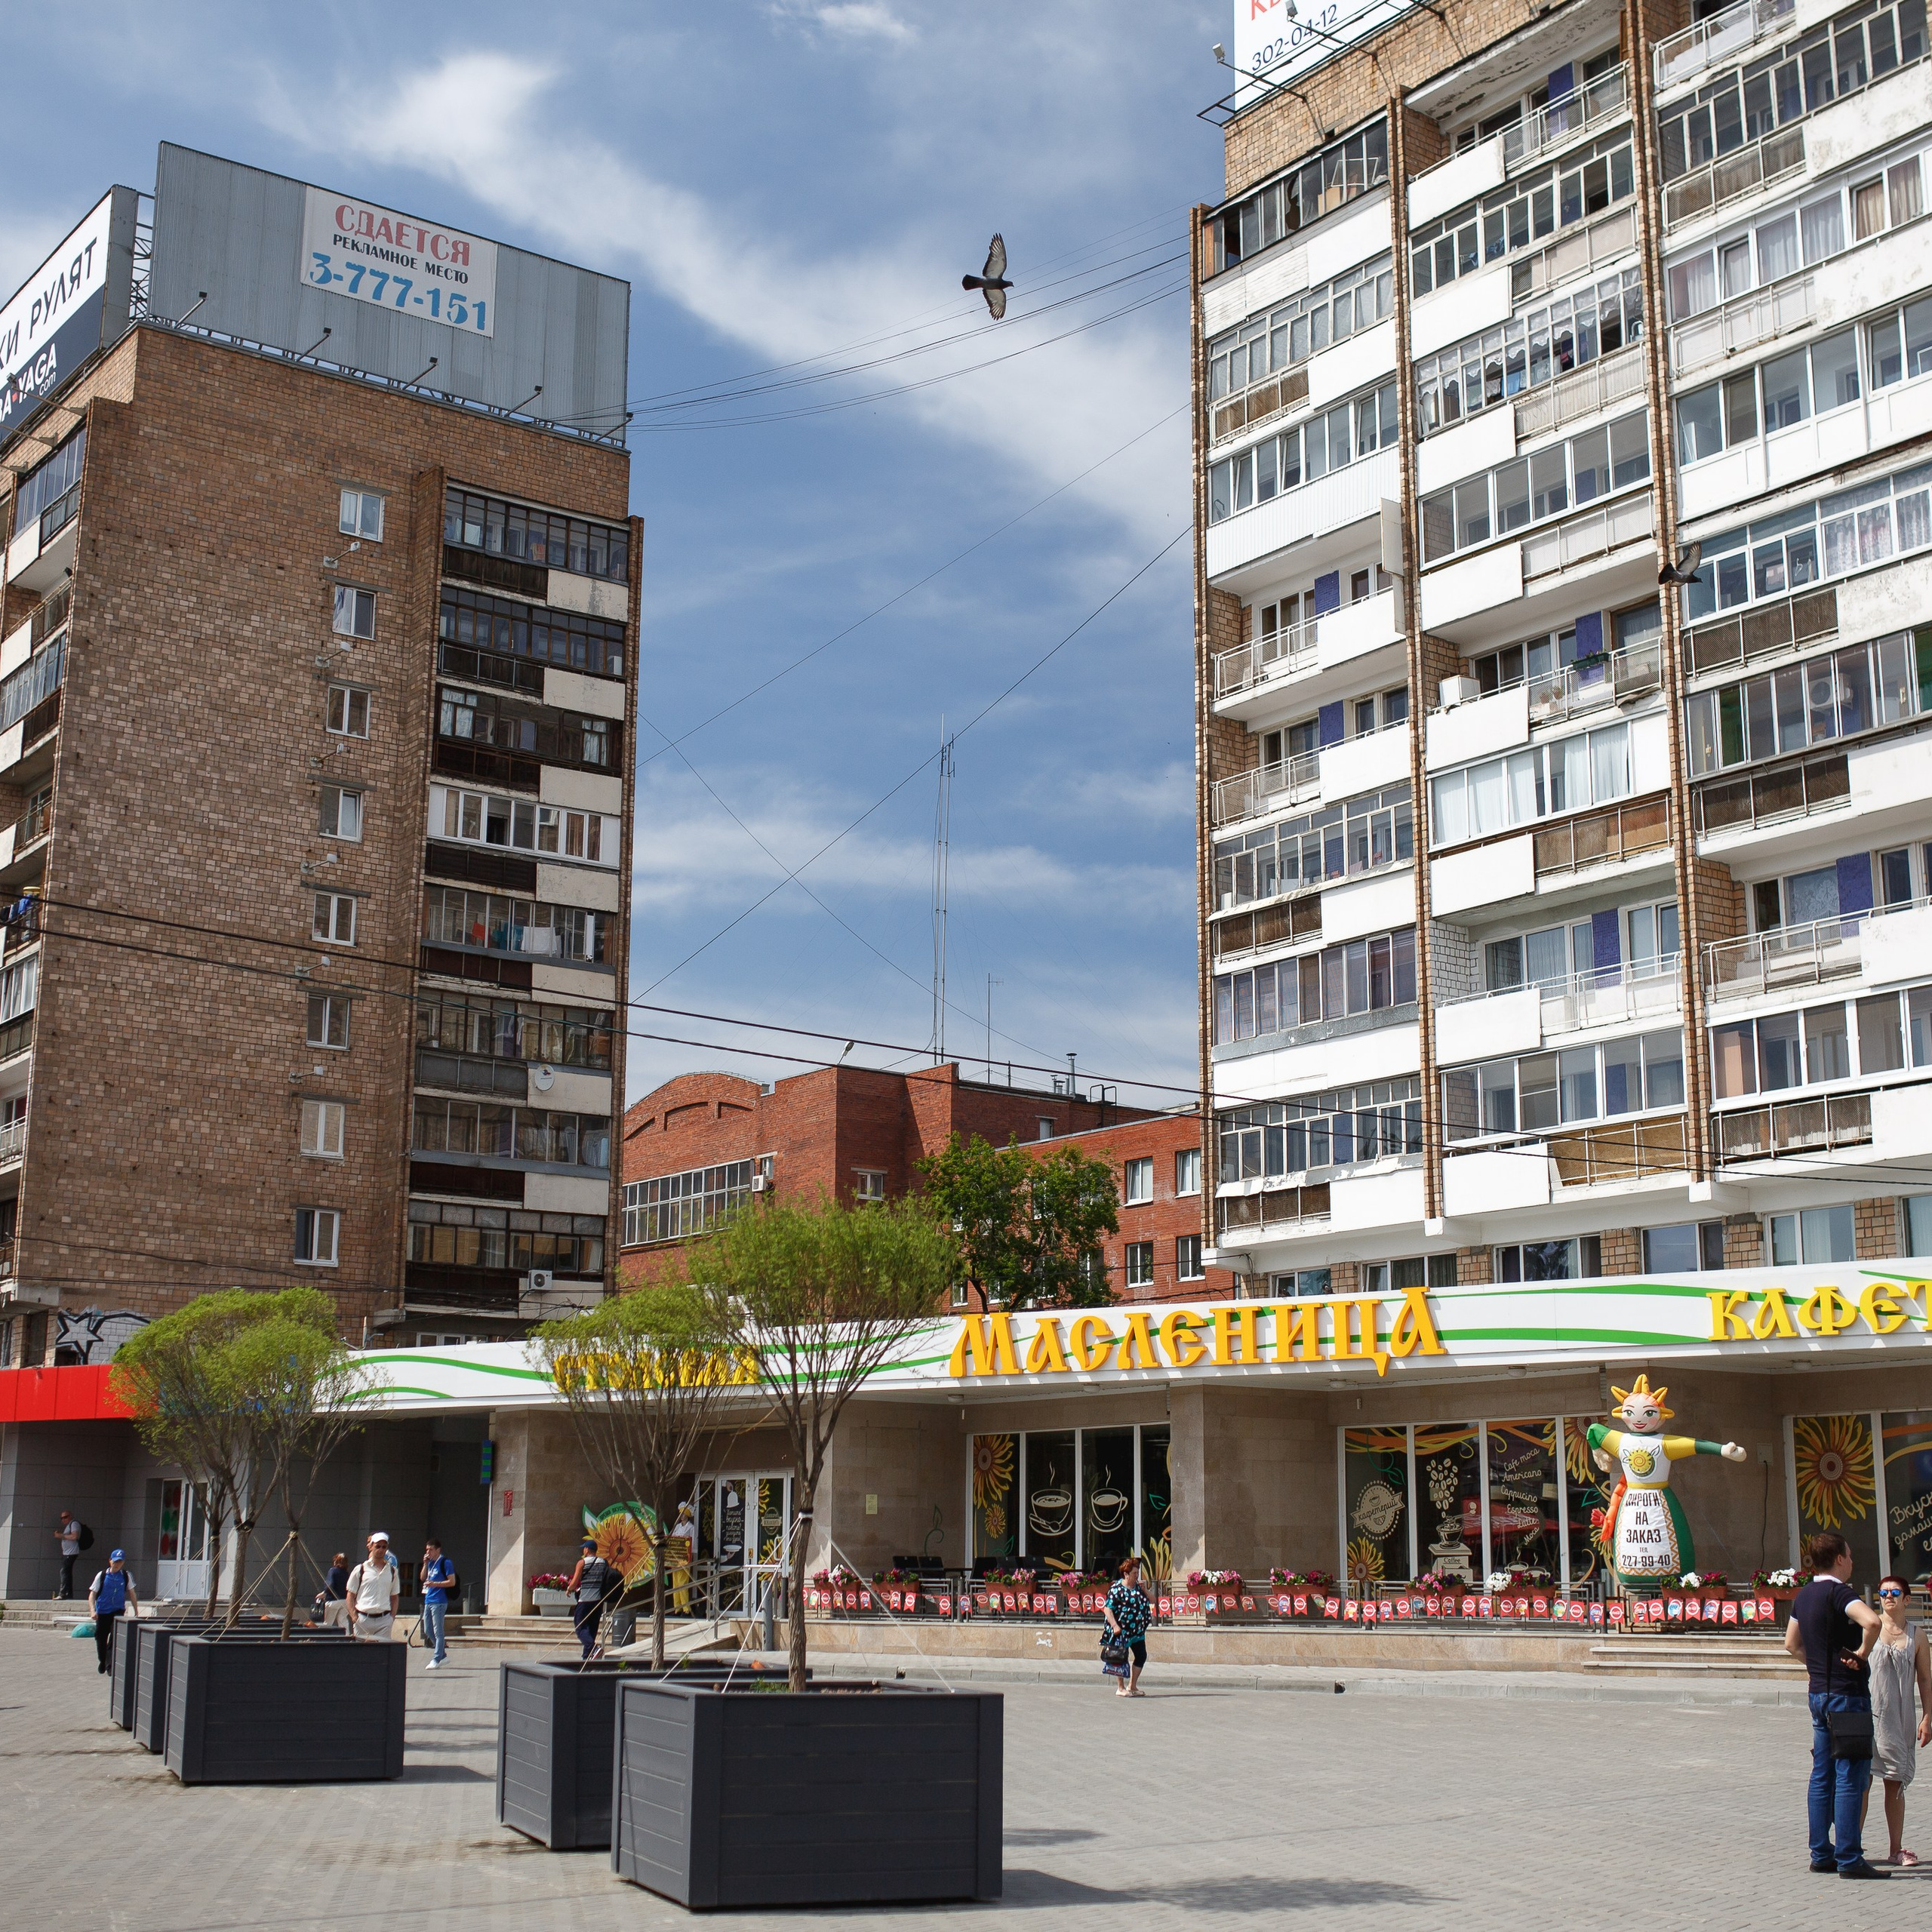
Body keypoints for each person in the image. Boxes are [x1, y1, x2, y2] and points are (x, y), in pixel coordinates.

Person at [1786, 1530, 1888, 1878]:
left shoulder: (1805, 1595)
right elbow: (1872, 1621)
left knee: (1821, 1774)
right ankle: (1849, 1857)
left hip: (1818, 1695)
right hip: (1847, 1696)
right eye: (1850, 1555)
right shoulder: (1839, 1591)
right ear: (1840, 1559)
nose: (1852, 1561)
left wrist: (1818, 1665)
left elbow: (1791, 1644)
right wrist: (1862, 1653)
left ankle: (1821, 1853)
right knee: (1850, 1776)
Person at [1863, 1574, 1932, 1865]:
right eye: (1883, 1593)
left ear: (1907, 1599)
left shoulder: (1917, 1636)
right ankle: (1852, 1848)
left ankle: (1896, 1849)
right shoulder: (1869, 1627)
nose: (1888, 1597)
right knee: (1862, 1782)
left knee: (1894, 1783)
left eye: (1894, 1593)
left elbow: (1925, 1679)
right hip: (1868, 1717)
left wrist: (1927, 1717)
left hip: (1900, 1720)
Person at [1102, 1553, 1152, 1699]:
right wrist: (1115, 1626)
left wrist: (1145, 1590)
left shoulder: (1138, 1587)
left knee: (1141, 1655)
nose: (1137, 1576)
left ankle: (1132, 1686)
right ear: (1126, 1574)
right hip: (1122, 1631)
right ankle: (1120, 1688)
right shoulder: (1117, 1589)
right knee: (1121, 1658)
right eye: (1135, 1573)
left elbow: (1154, 1600)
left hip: (1137, 1631)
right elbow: (1107, 1609)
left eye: (1137, 1572)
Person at [564, 1537, 615, 1661]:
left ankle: (593, 1649)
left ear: (587, 1550)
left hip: (585, 1600)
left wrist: (569, 1589)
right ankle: (587, 1656)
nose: (584, 1551)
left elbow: (575, 1581)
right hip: (598, 1601)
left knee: (580, 1626)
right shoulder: (603, 1562)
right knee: (592, 1628)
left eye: (584, 1549)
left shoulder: (582, 1563)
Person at [87, 1551, 137, 1675]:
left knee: (114, 1639)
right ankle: (103, 1661)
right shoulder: (102, 1575)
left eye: (120, 1562)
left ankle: (110, 1666)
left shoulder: (126, 1576)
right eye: (115, 1561)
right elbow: (92, 1594)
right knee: (101, 1639)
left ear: (123, 1562)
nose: (117, 1564)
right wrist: (93, 1610)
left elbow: (132, 1593)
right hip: (103, 1612)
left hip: (118, 1612)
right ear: (110, 1561)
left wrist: (136, 1611)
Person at [345, 1533, 401, 1641]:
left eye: (384, 1547)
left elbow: (395, 1596)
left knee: (382, 1651)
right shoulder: (360, 1569)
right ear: (371, 1547)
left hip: (384, 1620)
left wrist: (392, 1617)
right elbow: (350, 1595)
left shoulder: (392, 1571)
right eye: (378, 1546)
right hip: (363, 1618)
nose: (381, 1550)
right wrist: (354, 1616)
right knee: (361, 1650)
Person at [419, 1537, 456, 1670]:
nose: (428, 1552)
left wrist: (436, 1584)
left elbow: (452, 1582)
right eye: (427, 1550)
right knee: (428, 1630)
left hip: (439, 1601)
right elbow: (423, 1578)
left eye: (431, 1550)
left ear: (438, 1550)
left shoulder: (445, 1562)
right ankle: (443, 1655)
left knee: (438, 1631)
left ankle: (436, 1658)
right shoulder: (430, 1563)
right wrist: (425, 1564)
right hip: (428, 1600)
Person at [54, 1510, 81, 1600]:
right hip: (67, 1553)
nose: (63, 1520)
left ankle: (63, 1593)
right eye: (62, 1518)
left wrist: (61, 1536)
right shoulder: (68, 1526)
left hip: (71, 1553)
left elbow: (74, 1536)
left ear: (70, 1516)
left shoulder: (74, 1524)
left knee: (64, 1572)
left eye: (65, 1517)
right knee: (67, 1573)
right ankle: (68, 1594)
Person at [320, 1552, 350, 1628]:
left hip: (333, 1600)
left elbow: (330, 1584)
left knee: (328, 1623)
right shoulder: (346, 1573)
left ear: (336, 1561)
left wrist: (324, 1593)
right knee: (343, 1621)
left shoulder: (332, 1571)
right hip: (345, 1601)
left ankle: (325, 1635)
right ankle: (346, 1634)